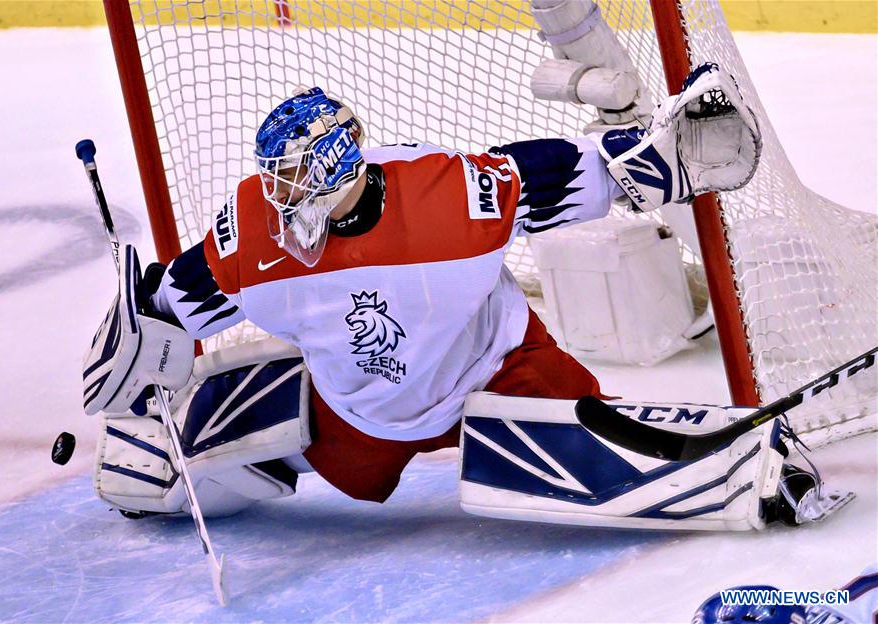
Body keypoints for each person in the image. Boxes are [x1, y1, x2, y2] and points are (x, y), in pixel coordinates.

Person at [83, 70, 844, 533]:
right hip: (363, 408)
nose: (280, 204)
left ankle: (751, 472)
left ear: (343, 175)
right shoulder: (257, 224)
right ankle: (178, 465)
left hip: (496, 369)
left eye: (295, 185)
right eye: (274, 183)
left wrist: (642, 164)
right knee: (220, 461)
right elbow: (190, 291)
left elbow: (540, 178)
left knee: (592, 440)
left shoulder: (443, 195)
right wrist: (145, 328)